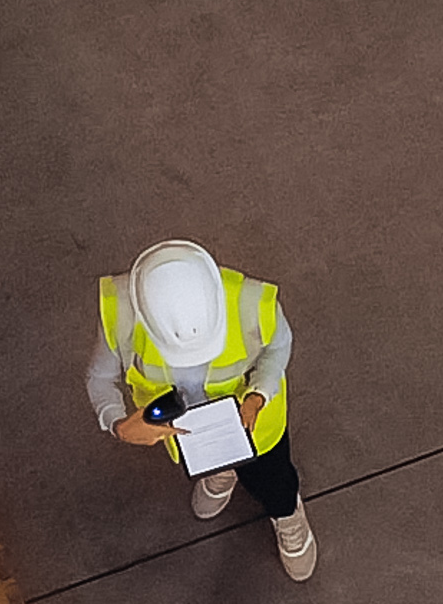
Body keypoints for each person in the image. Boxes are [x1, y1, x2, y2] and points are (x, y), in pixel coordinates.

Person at [89, 238, 315, 581]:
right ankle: (221, 470)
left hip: (257, 426)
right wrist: (119, 425)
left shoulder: (252, 302)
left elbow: (279, 347)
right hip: (187, 436)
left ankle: (287, 512)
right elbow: (99, 376)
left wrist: (258, 395)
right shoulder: (121, 312)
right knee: (212, 462)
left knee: (274, 479)